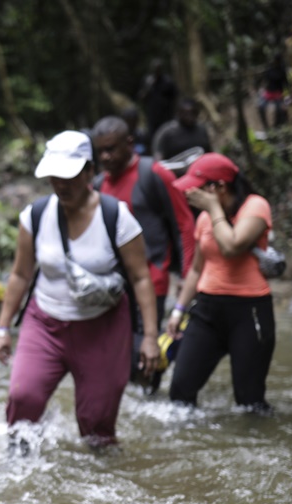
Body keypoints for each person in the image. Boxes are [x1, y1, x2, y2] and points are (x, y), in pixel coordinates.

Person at [0, 131, 160, 448]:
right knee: (23, 398)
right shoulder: (36, 216)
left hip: (104, 328)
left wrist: (150, 337)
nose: (61, 183)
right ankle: (17, 470)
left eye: (68, 175)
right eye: (54, 176)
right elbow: (20, 274)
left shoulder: (116, 217)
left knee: (97, 424)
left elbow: (140, 278)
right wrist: (3, 327)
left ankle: (97, 485)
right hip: (45, 323)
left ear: (89, 172)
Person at [92, 115, 197, 394]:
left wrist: (187, 275)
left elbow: (184, 224)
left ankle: (150, 395)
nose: (106, 156)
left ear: (129, 144)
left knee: (142, 351)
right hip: (113, 285)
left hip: (152, 279)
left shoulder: (153, 173)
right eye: (100, 150)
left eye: (111, 149)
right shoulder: (99, 184)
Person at [166, 153, 276, 412]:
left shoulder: (255, 207)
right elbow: (196, 269)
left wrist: (214, 208)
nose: (191, 193)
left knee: (249, 402)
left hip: (249, 312)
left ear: (219, 187)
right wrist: (178, 310)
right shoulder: (205, 219)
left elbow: (232, 245)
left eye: (198, 187)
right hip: (207, 311)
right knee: (180, 390)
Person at [151, 98, 213, 168]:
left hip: (201, 169)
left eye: (193, 113)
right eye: (186, 114)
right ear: (179, 113)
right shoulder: (167, 132)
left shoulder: (201, 130)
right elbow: (158, 158)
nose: (190, 117)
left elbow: (209, 152)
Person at [138, 59, 178, 149]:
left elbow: (174, 98)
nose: (157, 71)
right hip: (152, 116)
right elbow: (141, 97)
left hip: (166, 116)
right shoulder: (147, 80)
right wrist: (148, 88)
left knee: (166, 137)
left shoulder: (168, 81)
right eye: (155, 69)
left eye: (158, 68)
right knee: (152, 137)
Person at [257, 53, 290, 134]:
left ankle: (279, 128)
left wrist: (287, 96)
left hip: (278, 93)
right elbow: (264, 81)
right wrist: (261, 90)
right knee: (260, 107)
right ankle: (266, 127)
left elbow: (286, 84)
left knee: (280, 110)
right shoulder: (269, 68)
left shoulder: (282, 70)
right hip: (268, 93)